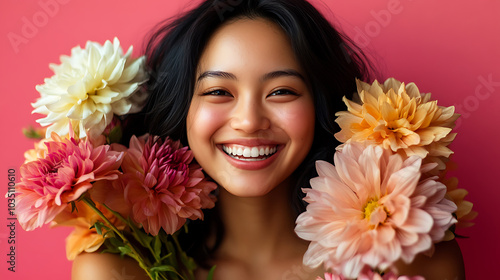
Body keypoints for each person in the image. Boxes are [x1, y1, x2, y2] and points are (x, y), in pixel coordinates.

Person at [71, 0, 465, 279]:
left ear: (323, 108)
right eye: (218, 92)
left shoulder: (412, 260)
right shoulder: (119, 270)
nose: (248, 121)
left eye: (281, 92)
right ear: (181, 110)